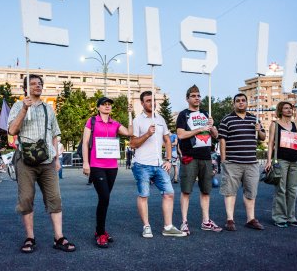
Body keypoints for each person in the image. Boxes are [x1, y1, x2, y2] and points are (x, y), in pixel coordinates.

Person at [8, 74, 75, 253]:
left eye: (40, 83)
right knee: (26, 199)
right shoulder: (17, 105)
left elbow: (55, 134)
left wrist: (56, 159)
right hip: (25, 160)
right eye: (33, 84)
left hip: (47, 161)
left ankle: (59, 237)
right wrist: (24, 109)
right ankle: (30, 238)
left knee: (55, 198)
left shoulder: (48, 108)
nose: (38, 86)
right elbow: (13, 130)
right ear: (26, 88)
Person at [130, 91, 186, 238]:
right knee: (144, 195)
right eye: (148, 100)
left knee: (169, 193)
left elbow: (167, 140)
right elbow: (133, 143)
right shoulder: (137, 121)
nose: (152, 103)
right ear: (142, 103)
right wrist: (147, 134)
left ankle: (168, 227)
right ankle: (146, 226)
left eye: (153, 100)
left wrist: (168, 160)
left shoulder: (160, 119)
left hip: (159, 164)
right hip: (141, 164)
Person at [82, 97, 132, 248]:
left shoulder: (115, 123)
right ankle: (100, 232)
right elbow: (85, 142)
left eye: (109, 104)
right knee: (104, 197)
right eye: (104, 104)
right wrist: (86, 163)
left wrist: (130, 114)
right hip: (96, 165)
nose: (107, 106)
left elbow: (129, 133)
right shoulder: (92, 122)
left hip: (112, 166)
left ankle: (100, 231)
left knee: (105, 199)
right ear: (98, 107)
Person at [176, 85, 221, 235]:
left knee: (206, 191)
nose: (197, 98)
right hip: (190, 156)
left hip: (206, 157)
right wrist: (199, 129)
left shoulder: (205, 113)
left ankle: (206, 221)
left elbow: (215, 135)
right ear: (187, 98)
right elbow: (181, 135)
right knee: (186, 191)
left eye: (199, 96)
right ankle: (184, 222)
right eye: (194, 96)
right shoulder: (184, 115)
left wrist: (212, 126)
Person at [218, 93, 266, 232]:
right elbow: (222, 140)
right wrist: (223, 160)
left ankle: (250, 219)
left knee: (251, 192)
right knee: (230, 191)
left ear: (247, 103)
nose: (240, 103)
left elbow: (262, 137)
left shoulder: (254, 118)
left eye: (243, 100)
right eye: (238, 101)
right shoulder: (227, 119)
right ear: (234, 104)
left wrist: (259, 130)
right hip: (233, 162)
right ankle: (230, 220)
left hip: (251, 162)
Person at [265, 101, 297, 228]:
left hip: (295, 160)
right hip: (281, 160)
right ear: (280, 110)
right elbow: (270, 143)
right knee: (281, 189)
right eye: (286, 108)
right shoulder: (275, 124)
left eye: (290, 108)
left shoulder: (295, 124)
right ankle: (279, 217)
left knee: (293, 190)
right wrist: (269, 160)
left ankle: (291, 216)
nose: (289, 110)